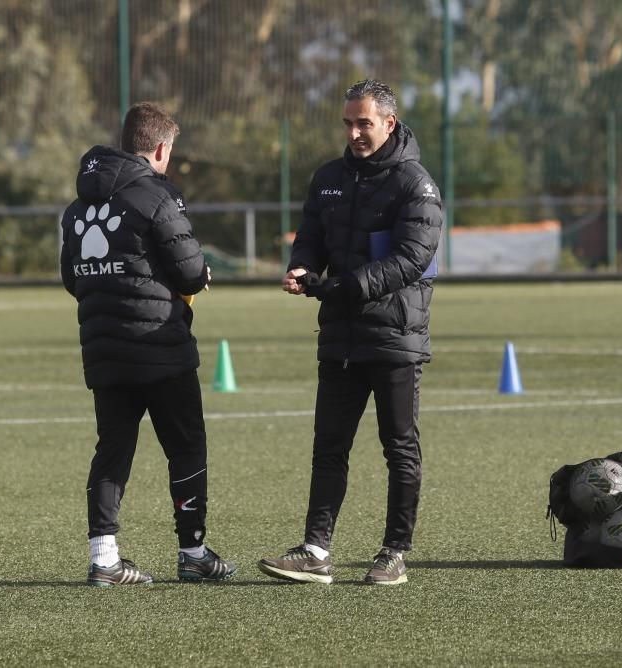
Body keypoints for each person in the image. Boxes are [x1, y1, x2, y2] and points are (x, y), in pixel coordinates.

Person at [258, 79, 443, 586]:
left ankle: (394, 553)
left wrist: (340, 287)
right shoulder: (329, 177)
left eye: (364, 122)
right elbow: (311, 236)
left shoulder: (415, 184)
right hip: (340, 333)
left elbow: (410, 260)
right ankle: (316, 551)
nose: (355, 132)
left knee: (399, 447)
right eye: (348, 122)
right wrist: (301, 266)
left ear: (389, 122)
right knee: (329, 446)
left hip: (394, 337)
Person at [59, 101, 236, 586]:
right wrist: (201, 275)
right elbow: (188, 273)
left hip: (104, 347)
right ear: (160, 147)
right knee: (185, 446)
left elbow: (74, 280)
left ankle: (104, 559)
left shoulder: (78, 208)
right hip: (160, 345)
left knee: (113, 448)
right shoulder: (159, 196)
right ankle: (193, 553)